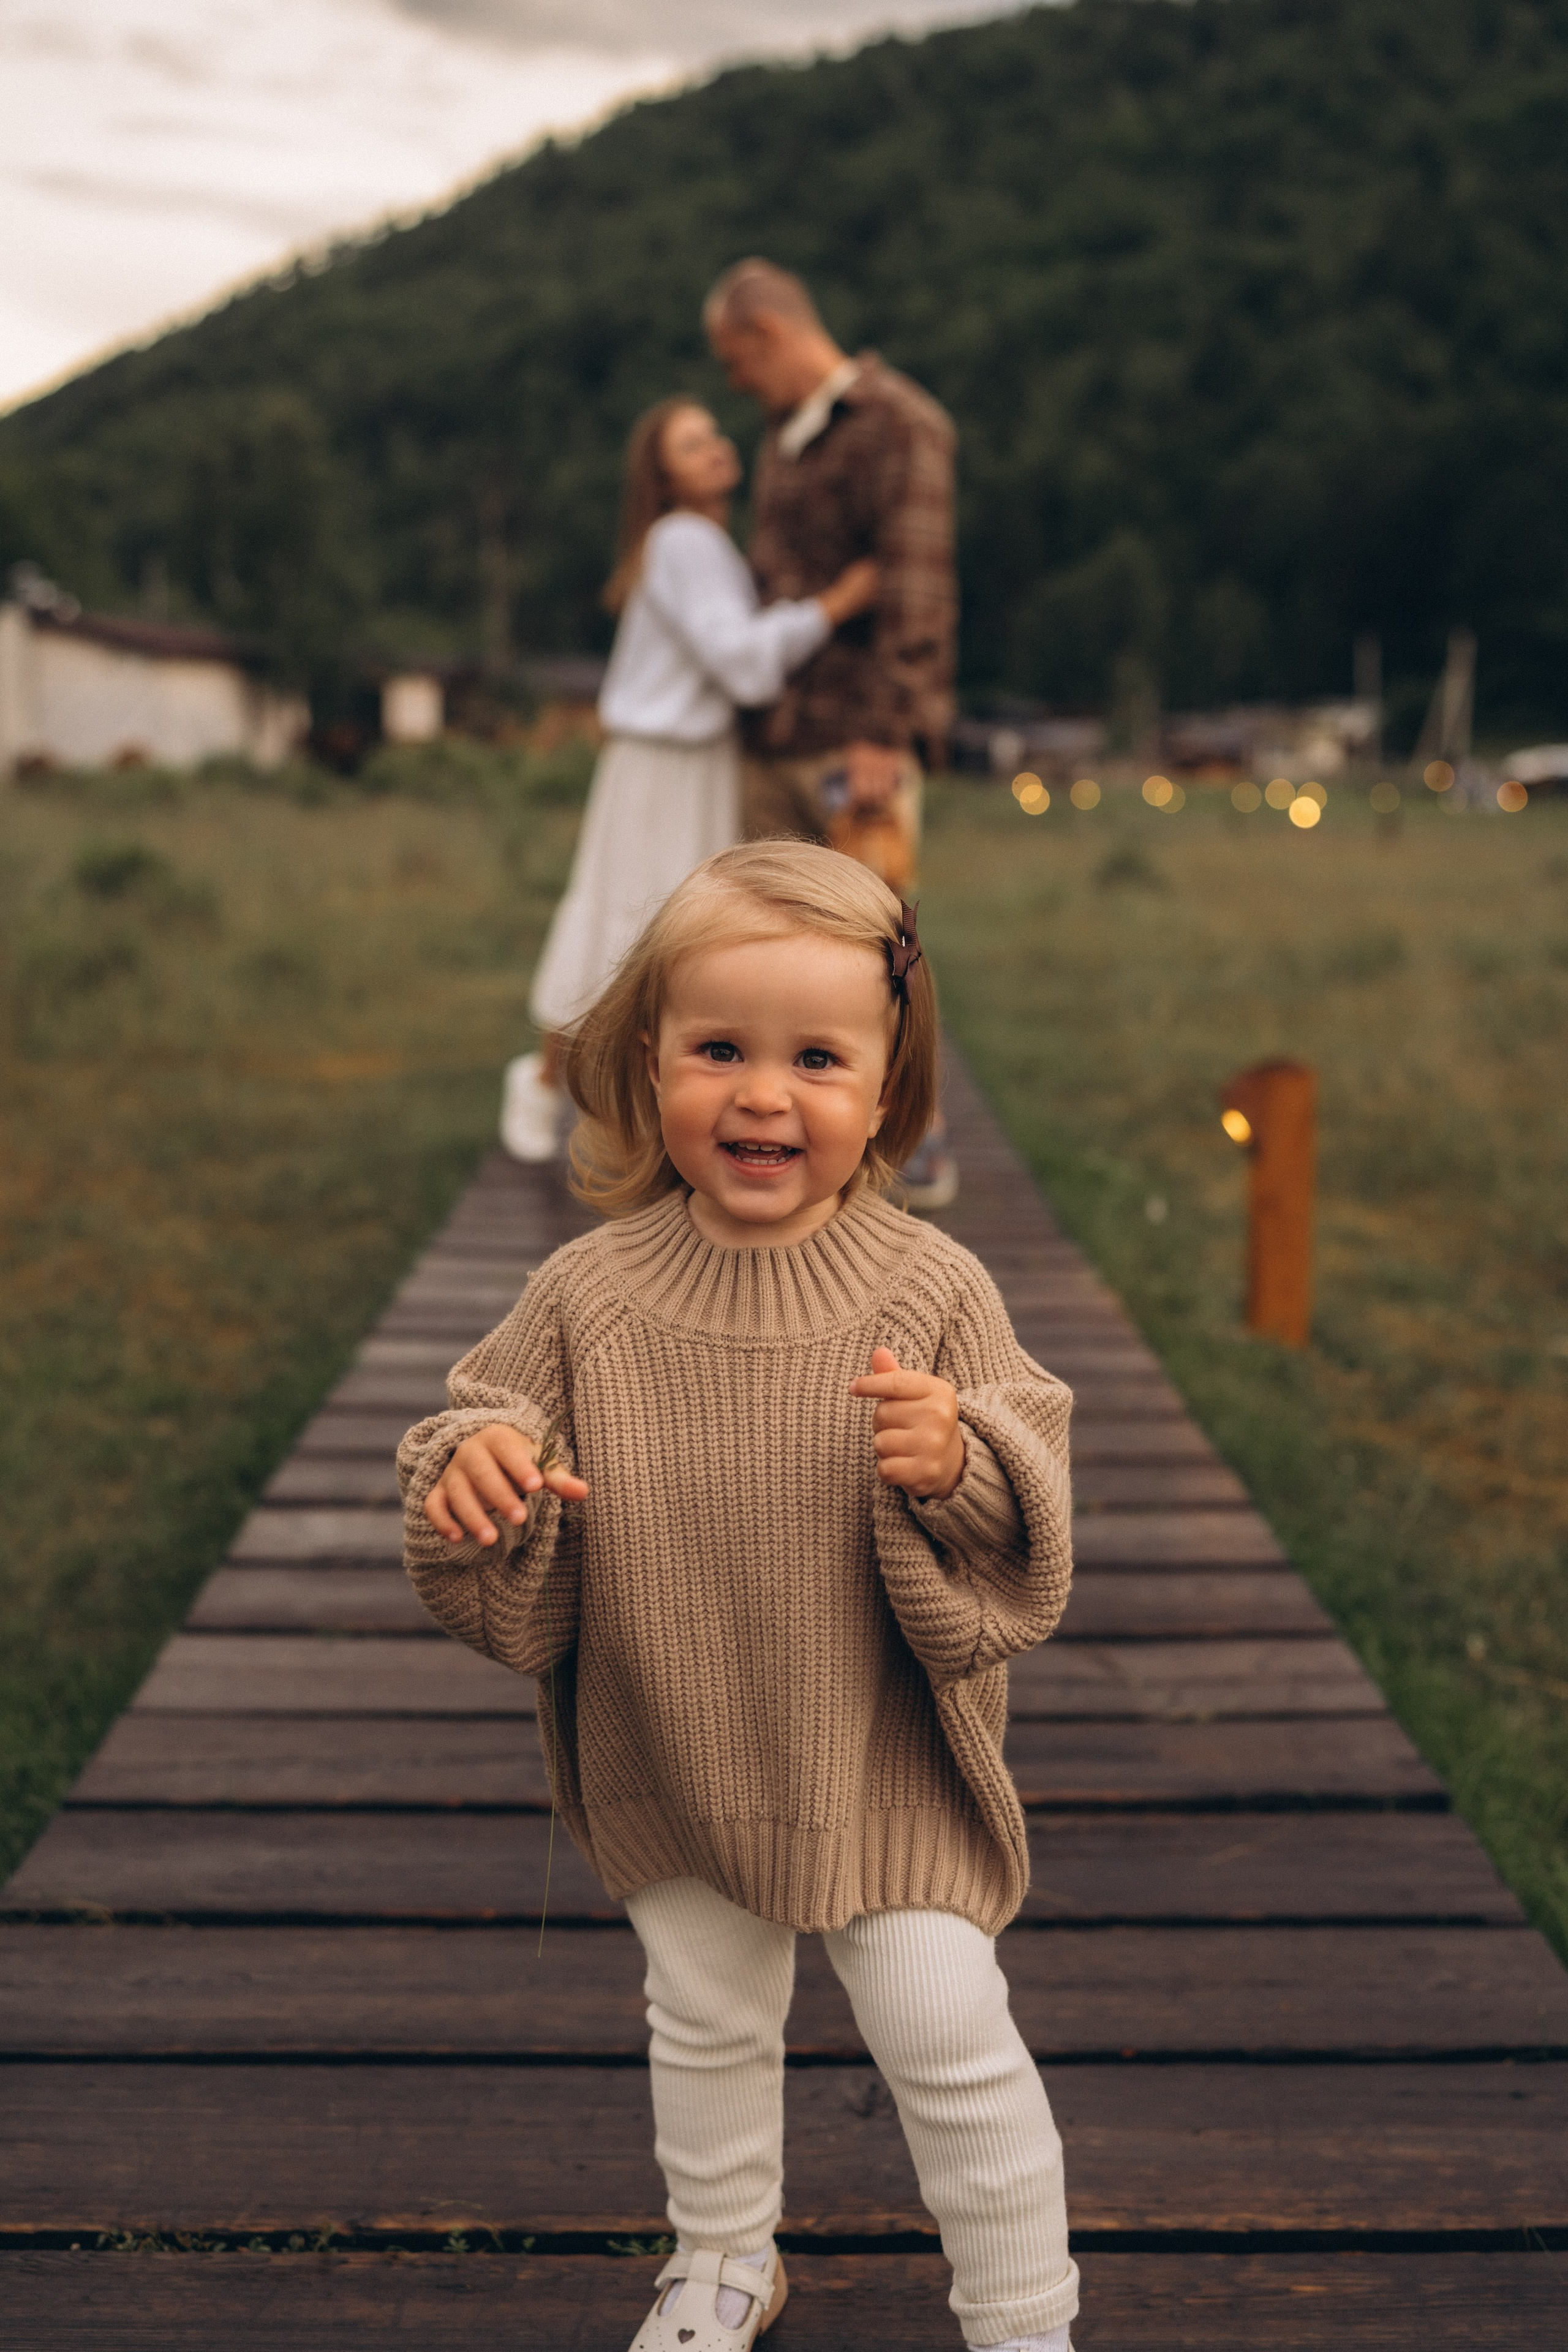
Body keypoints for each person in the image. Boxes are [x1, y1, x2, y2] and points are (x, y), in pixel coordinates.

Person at [400, 842, 1080, 2352]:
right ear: (649, 1067)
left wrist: (957, 1454)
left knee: (947, 2036)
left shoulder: (930, 1287)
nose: (763, 1096)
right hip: (676, 1731)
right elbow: (473, 1418)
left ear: (888, 1085)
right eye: (719, 1049)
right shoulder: (587, 1290)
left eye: (816, 1058)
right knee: (703, 2017)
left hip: (877, 1757)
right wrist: (480, 1464)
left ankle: (1023, 2319)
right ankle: (721, 2256)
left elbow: (1029, 1478)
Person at [501, 396, 878, 1161]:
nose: (711, 447)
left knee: (676, 935)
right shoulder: (681, 540)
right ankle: (546, 1084)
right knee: (624, 924)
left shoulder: (707, 547)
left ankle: (626, 1115)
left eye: (712, 433)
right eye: (688, 443)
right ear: (661, 477)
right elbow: (741, 664)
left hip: (698, 765)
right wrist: (833, 606)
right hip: (659, 766)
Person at [705, 257, 960, 1208]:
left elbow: (919, 588)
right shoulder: (783, 434)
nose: (737, 383)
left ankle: (917, 1129)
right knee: (766, 944)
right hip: (772, 736)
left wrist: (887, 736)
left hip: (855, 738)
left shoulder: (903, 423)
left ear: (769, 334)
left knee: (880, 941)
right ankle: (798, 1143)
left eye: (738, 362)